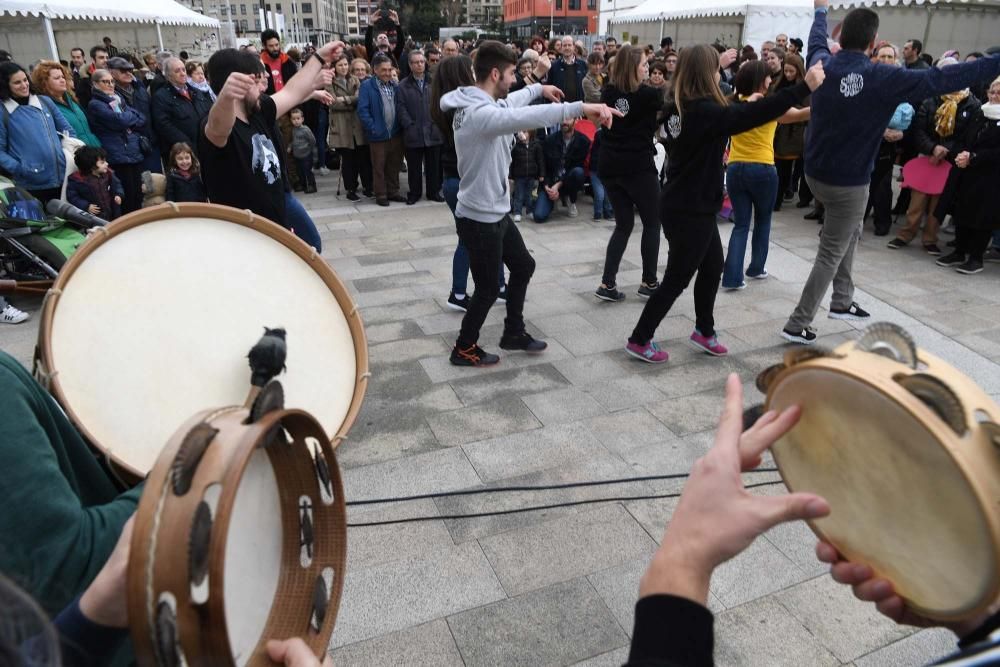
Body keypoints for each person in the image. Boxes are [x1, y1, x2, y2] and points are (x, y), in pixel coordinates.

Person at [781, 0, 1000, 345]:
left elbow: (817, 39)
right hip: (848, 181)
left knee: (847, 234)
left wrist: (821, 11)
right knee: (831, 250)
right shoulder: (882, 76)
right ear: (872, 43)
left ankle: (842, 300)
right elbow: (943, 76)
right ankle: (798, 322)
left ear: (846, 36)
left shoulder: (823, 63)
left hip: (815, 173)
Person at [624, 45, 820, 364]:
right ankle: (640, 338)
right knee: (677, 276)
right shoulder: (702, 111)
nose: (720, 72)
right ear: (707, 72)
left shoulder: (680, 105)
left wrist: (744, 97)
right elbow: (744, 116)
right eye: (716, 67)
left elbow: (727, 113)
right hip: (691, 207)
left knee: (713, 265)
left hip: (686, 202)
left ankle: (704, 330)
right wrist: (803, 88)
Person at [439, 40, 620, 367]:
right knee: (488, 288)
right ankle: (464, 347)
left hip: (494, 212)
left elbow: (514, 102)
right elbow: (523, 116)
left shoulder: (482, 103)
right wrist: (579, 108)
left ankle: (513, 332)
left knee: (523, 266)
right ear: (495, 74)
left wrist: (539, 87)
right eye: (511, 74)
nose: (513, 80)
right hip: (480, 218)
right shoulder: (480, 114)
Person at [199, 44, 339, 251]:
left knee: (311, 248)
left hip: (276, 222)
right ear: (241, 84)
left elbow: (292, 92)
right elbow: (218, 128)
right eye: (256, 81)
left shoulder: (258, 110)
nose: (263, 88)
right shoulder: (213, 126)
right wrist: (226, 97)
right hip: (244, 239)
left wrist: (318, 57)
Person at [722, 61, 812, 291]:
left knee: (741, 224)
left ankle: (732, 278)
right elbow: (800, 115)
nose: (772, 80)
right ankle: (756, 268)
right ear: (761, 80)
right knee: (763, 220)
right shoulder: (770, 105)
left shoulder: (732, 103)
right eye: (769, 77)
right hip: (762, 169)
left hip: (734, 169)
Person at [431, 54, 507, 314]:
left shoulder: (448, 105)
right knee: (471, 238)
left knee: (492, 231)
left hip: (454, 179)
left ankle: (498, 285)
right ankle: (460, 292)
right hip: (463, 181)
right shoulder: (462, 108)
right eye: (470, 71)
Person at [887, 57, 980, 255]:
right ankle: (906, 234)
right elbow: (919, 129)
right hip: (926, 157)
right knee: (916, 201)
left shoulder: (972, 104)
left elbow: (968, 136)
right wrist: (932, 148)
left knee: (938, 204)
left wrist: (945, 150)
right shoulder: (931, 98)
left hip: (949, 161)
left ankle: (930, 238)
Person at [594, 44, 662, 303]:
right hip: (637, 166)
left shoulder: (608, 91)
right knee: (653, 221)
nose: (648, 68)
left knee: (624, 224)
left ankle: (607, 283)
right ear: (633, 66)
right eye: (644, 64)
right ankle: (649, 281)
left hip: (610, 165)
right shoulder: (649, 95)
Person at [934, 76, 1000, 275]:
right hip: (966, 171)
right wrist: (962, 154)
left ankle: (975, 257)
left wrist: (974, 157)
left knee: (982, 216)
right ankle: (959, 251)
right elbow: (964, 136)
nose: (995, 96)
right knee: (962, 210)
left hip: (991, 177)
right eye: (992, 92)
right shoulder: (980, 112)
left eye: (999, 93)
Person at [0, 62, 76, 206]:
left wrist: (65, 156)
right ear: (5, 85)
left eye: (25, 80)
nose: (24, 85)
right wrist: (20, 169)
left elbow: (69, 131)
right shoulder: (2, 111)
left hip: (63, 177)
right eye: (17, 82)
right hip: (30, 185)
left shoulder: (45, 102)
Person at [86, 69, 145, 214]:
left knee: (138, 193)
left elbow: (141, 117)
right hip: (116, 155)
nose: (111, 84)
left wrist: (127, 118)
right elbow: (119, 121)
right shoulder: (96, 104)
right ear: (95, 84)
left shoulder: (118, 99)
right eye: (106, 82)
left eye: (112, 81)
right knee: (126, 196)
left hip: (132, 151)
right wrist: (129, 118)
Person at [358, 54, 405, 207]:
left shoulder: (395, 86)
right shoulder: (367, 86)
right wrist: (373, 128)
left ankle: (393, 191)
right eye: (383, 70)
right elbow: (363, 111)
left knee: (394, 164)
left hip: (395, 133)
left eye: (389, 69)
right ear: (375, 70)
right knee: (379, 166)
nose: (387, 73)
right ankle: (381, 194)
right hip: (378, 134)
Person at [396, 49, 442, 205]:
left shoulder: (434, 82)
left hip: (433, 129)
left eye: (422, 62)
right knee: (414, 167)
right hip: (413, 131)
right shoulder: (403, 85)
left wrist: (437, 121)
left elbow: (440, 104)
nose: (419, 65)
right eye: (416, 62)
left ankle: (433, 192)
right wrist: (408, 124)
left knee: (433, 165)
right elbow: (400, 108)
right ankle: (414, 193)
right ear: (410, 65)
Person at [327, 55, 373, 200]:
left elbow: (361, 99)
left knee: (363, 158)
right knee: (348, 160)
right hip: (341, 126)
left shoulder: (355, 80)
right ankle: (351, 189)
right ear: (334, 67)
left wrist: (345, 99)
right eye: (340, 65)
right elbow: (333, 103)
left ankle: (368, 186)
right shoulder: (330, 83)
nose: (344, 68)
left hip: (357, 124)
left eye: (346, 64)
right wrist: (351, 101)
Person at [108, 56, 160, 174]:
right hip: (129, 148)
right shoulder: (111, 95)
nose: (128, 73)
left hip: (150, 143)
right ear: (111, 72)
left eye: (129, 70)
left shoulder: (139, 89)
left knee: (156, 183)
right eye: (123, 70)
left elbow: (151, 113)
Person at [30, 60, 100, 148]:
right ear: (44, 82)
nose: (62, 80)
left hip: (94, 150)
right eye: (57, 78)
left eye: (63, 77)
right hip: (76, 155)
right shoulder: (45, 107)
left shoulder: (72, 100)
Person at [534, 118, 591, 222]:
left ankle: (570, 199)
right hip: (551, 181)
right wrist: (547, 185)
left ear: (576, 120)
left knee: (578, 172)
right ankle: (553, 200)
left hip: (568, 181)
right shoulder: (550, 140)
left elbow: (575, 166)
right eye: (562, 119)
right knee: (538, 216)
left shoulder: (583, 141)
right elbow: (543, 165)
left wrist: (558, 185)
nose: (564, 122)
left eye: (568, 119)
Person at [772, 53, 809, 211]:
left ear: (798, 71)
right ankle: (775, 196)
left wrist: (789, 108)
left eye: (791, 71)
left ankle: (778, 200)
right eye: (786, 71)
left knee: (785, 169)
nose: (787, 74)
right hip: (777, 131)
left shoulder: (804, 88)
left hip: (792, 134)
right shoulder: (777, 84)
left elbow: (807, 110)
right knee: (777, 168)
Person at [66, 145, 123, 221]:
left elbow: (117, 185)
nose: (107, 164)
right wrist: (86, 206)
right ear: (91, 165)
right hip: (94, 217)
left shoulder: (109, 174)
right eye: (102, 162)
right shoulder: (78, 180)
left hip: (113, 212)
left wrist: (118, 194)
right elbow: (72, 196)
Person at [508, 129, 544, 222]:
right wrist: (510, 176)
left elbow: (540, 161)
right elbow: (512, 163)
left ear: (530, 133)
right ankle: (517, 212)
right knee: (518, 195)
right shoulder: (516, 147)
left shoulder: (536, 146)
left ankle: (529, 211)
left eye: (524, 132)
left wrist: (541, 174)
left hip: (532, 175)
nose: (521, 134)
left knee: (530, 195)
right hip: (519, 176)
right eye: (520, 132)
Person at [548, 35, 588, 103]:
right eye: (564, 45)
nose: (567, 48)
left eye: (569, 45)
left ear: (574, 47)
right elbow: (549, 86)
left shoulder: (583, 65)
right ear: (561, 47)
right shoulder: (554, 66)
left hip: (578, 107)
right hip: (559, 107)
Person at [288, 107, 318, 194]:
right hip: (297, 155)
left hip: (306, 155)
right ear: (291, 120)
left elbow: (313, 140)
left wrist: (309, 148)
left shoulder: (306, 130)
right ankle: (303, 185)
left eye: (298, 118)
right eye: (293, 119)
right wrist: (290, 146)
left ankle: (312, 185)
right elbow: (293, 140)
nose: (296, 121)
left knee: (307, 170)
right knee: (300, 171)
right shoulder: (293, 130)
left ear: (302, 119)